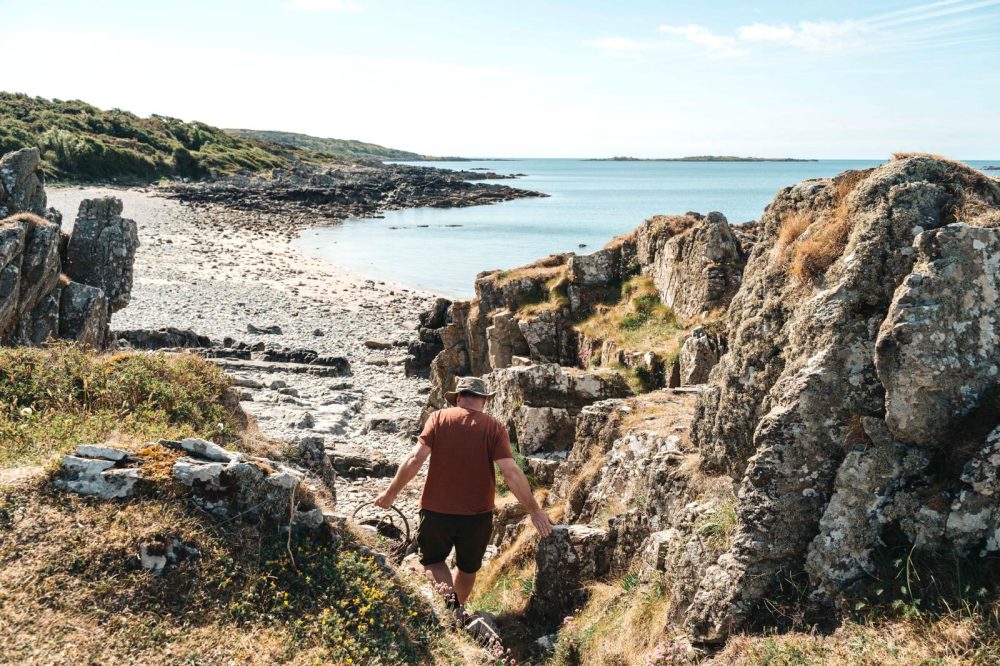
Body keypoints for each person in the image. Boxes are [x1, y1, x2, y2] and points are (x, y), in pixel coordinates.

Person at [374, 375, 553, 611]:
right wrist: (535, 511)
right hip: (477, 516)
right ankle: (456, 612)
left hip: (436, 511)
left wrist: (390, 494)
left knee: (434, 561)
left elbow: (415, 459)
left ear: (458, 398)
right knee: (468, 568)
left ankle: (451, 609)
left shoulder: (438, 419)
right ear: (484, 401)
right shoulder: (494, 428)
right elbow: (510, 472)